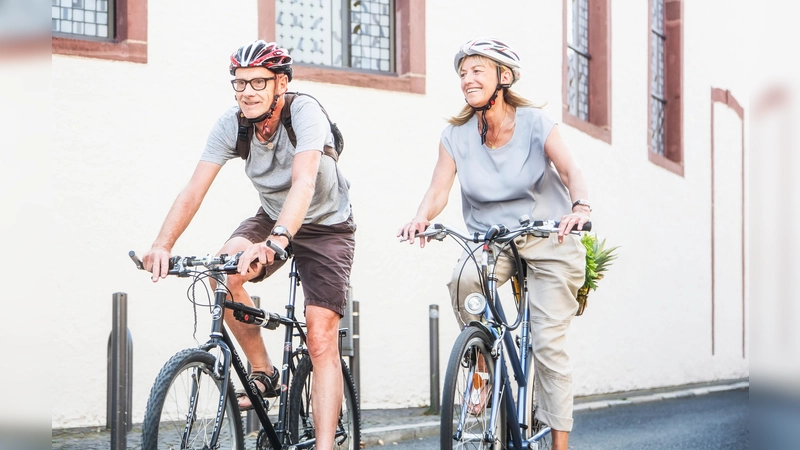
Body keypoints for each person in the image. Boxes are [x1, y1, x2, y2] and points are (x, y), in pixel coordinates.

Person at [142, 40, 356, 450]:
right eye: (239, 83)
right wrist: (162, 244)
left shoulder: (306, 112)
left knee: (321, 334)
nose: (247, 92)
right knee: (221, 271)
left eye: (258, 82)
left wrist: (278, 240)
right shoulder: (233, 124)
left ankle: (326, 446)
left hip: (327, 226)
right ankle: (264, 370)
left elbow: (304, 182)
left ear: (281, 83)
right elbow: (194, 188)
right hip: (271, 215)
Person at [397, 37, 590, 450]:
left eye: (476, 71)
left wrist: (581, 208)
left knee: (549, 343)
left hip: (548, 237)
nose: (467, 79)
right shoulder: (455, 136)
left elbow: (572, 168)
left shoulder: (535, 123)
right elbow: (438, 190)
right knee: (464, 279)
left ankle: (559, 444)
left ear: (504, 77)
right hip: (494, 241)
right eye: (463, 73)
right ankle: (482, 369)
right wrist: (420, 217)